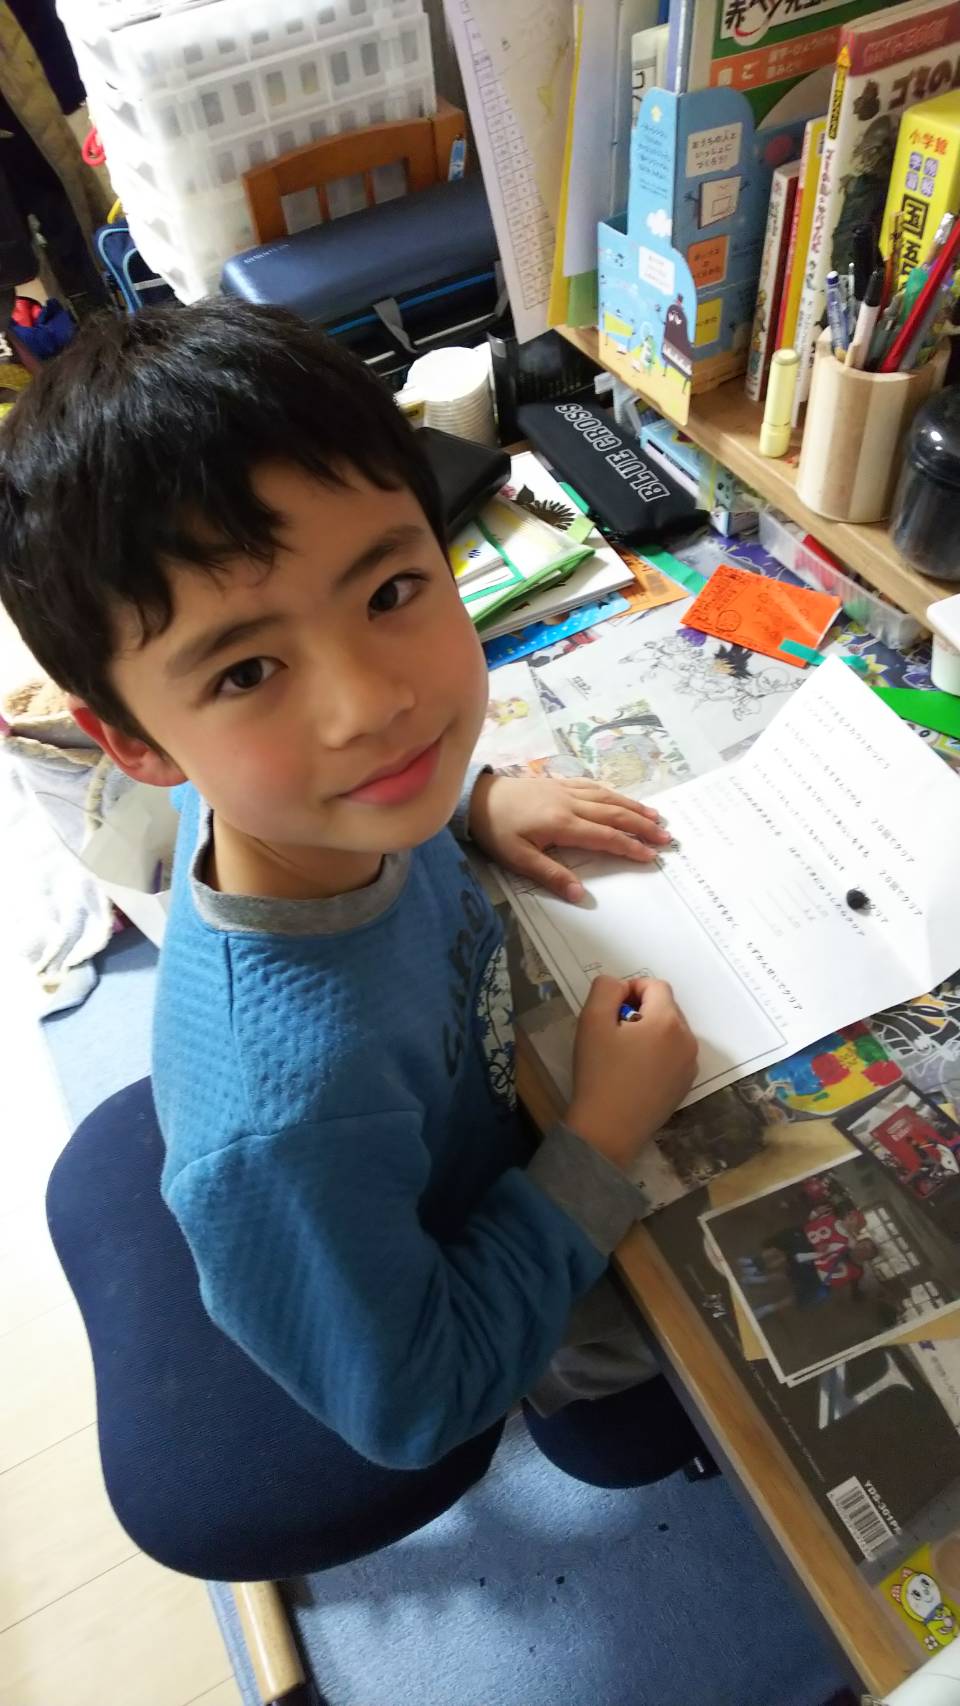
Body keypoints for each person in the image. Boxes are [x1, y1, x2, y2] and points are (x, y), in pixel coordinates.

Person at [0, 300, 704, 1500]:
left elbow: (334, 755)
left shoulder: (300, 799)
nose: (372, 704)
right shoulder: (285, 1119)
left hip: (462, 1128)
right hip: (496, 1272)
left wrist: (473, 800)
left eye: (387, 592)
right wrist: (600, 1134)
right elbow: (417, 1401)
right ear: (138, 743)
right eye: (248, 669)